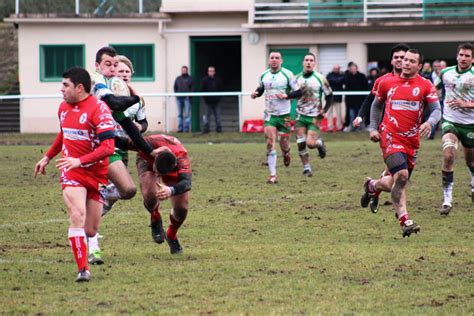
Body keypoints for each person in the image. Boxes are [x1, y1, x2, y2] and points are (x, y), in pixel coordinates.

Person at [34, 67, 115, 282]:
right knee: (77, 214)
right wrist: (48, 157)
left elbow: (108, 147)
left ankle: (88, 246)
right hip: (71, 172)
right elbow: (64, 134)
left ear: (79, 88)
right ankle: (83, 270)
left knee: (91, 228)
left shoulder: (99, 109)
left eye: (65, 85)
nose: (61, 90)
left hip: (95, 174)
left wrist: (80, 160)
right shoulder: (63, 107)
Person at [362, 49, 441, 237]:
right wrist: (373, 127)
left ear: (419, 66)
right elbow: (376, 104)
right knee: (402, 176)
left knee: (395, 182)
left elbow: (437, 109)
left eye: (411, 61)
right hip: (390, 136)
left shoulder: (425, 85)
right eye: (405, 59)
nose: (406, 63)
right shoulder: (386, 82)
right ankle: (405, 220)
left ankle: (372, 186)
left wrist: (430, 123)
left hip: (411, 140)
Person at [87, 55, 149, 264]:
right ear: (98, 67)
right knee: (88, 196)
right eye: (112, 67)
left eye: (122, 70)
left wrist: (147, 147)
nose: (118, 72)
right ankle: (89, 243)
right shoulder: (99, 89)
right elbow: (113, 102)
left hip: (116, 147)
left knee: (124, 190)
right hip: (93, 150)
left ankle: (91, 222)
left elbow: (135, 123)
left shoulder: (124, 99)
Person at [355, 43, 410, 213]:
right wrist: (360, 116)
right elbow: (370, 101)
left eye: (404, 57)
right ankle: (402, 213)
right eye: (397, 57)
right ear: (392, 61)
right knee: (399, 174)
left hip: (408, 134)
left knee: (392, 173)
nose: (400, 60)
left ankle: (373, 188)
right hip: (387, 132)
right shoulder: (383, 81)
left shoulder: (415, 81)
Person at [115, 134, 192, 254]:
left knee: (182, 208)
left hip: (171, 162)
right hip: (147, 157)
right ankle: (155, 217)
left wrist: (170, 190)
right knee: (150, 194)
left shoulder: (181, 158)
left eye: (160, 174)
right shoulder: (147, 143)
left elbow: (187, 183)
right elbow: (120, 142)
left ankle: (171, 235)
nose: (158, 176)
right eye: (157, 172)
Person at [251, 51, 302, 184]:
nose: (274, 60)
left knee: (284, 143)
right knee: (269, 143)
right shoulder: (264, 75)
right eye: (272, 58)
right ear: (269, 60)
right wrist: (256, 93)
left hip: (284, 116)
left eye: (277, 58)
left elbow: (299, 92)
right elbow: (261, 89)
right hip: (270, 115)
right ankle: (273, 175)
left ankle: (286, 152)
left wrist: (287, 96)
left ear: (281, 61)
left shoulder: (288, 74)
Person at [435, 42, 474, 215]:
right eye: (461, 55)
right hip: (450, 121)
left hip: (470, 124)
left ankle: (473, 183)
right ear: (457, 56)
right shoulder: (445, 73)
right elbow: (431, 91)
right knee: (449, 155)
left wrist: (466, 104)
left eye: (467, 56)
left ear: (472, 58)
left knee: (471, 162)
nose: (463, 58)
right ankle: (447, 201)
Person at [294, 53, 333, 176]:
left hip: (315, 116)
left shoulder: (320, 78)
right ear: (303, 63)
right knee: (300, 142)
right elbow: (292, 94)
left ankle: (319, 143)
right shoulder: (296, 79)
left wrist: (325, 110)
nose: (309, 62)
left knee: (310, 144)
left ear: (314, 63)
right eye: (306, 60)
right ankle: (307, 168)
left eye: (311, 60)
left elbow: (330, 95)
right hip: (300, 115)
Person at [343, 62, 368, 131]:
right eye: (351, 68)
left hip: (360, 100)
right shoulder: (348, 77)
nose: (353, 69)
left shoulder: (362, 76)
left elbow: (365, 87)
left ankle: (361, 128)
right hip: (351, 101)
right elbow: (346, 88)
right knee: (352, 115)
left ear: (356, 68)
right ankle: (353, 128)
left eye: (354, 68)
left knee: (360, 115)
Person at [200, 66, 222, 133]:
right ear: (208, 72)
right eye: (210, 71)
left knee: (218, 116)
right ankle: (206, 129)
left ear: (214, 72)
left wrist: (218, 98)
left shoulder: (217, 80)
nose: (211, 72)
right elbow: (202, 90)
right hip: (208, 102)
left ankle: (218, 129)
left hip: (216, 102)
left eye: (212, 71)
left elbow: (220, 90)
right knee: (206, 116)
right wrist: (206, 99)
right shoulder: (204, 80)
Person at [174, 66, 193, 133]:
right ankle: (180, 128)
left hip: (186, 99)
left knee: (187, 114)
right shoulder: (178, 78)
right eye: (182, 70)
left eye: (185, 70)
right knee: (180, 115)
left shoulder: (190, 78)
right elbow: (175, 87)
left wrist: (189, 96)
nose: (183, 71)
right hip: (179, 98)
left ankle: (186, 129)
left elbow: (192, 88)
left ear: (187, 70)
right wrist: (177, 95)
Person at [326, 64, 345, 132]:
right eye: (335, 68)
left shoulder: (342, 75)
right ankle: (330, 127)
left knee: (339, 113)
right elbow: (328, 81)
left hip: (338, 97)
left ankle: (339, 127)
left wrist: (335, 81)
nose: (336, 69)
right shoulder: (329, 75)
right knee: (329, 113)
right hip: (329, 97)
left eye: (337, 68)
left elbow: (341, 81)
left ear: (339, 69)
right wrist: (336, 81)